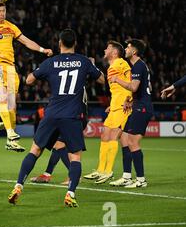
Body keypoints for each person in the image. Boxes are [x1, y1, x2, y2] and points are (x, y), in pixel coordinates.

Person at [7, 29, 105, 207]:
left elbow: (29, 80)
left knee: (35, 150)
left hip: (52, 113)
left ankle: (18, 185)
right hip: (72, 115)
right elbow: (102, 80)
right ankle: (70, 193)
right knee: (75, 157)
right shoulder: (83, 61)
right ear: (75, 43)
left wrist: (43, 74)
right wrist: (88, 71)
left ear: (59, 43)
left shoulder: (50, 62)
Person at [0, 1, 53, 151]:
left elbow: (26, 41)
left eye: (4, 10)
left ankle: (10, 141)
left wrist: (42, 49)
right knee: (2, 98)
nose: (2, 13)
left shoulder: (11, 26)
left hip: (10, 68)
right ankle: (10, 132)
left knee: (12, 106)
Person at [83, 41, 132, 184]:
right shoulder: (111, 66)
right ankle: (100, 170)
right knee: (104, 134)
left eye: (108, 48)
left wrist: (129, 99)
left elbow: (131, 82)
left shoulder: (121, 63)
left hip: (123, 105)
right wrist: (111, 104)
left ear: (115, 52)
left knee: (113, 136)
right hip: (115, 105)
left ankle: (108, 171)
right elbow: (116, 89)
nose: (105, 49)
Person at [109, 39, 153, 188]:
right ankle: (127, 176)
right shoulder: (139, 66)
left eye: (128, 47)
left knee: (133, 142)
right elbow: (143, 88)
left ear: (134, 51)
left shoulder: (138, 66)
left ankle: (141, 180)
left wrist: (117, 79)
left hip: (142, 108)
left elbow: (134, 87)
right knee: (124, 138)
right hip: (138, 106)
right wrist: (130, 100)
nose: (126, 49)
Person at [31, 88, 88, 185]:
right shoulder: (78, 82)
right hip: (75, 116)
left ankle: (74, 176)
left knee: (59, 145)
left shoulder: (70, 84)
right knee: (57, 145)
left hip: (72, 117)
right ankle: (47, 174)